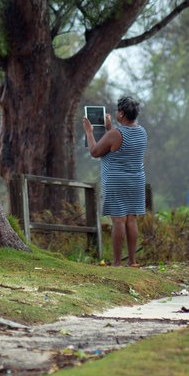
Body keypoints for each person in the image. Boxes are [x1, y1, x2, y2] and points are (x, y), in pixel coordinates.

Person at [82, 96, 147, 267]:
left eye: (118, 110)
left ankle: (117, 263)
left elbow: (95, 152)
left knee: (118, 221)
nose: (117, 113)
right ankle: (132, 261)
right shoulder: (142, 132)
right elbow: (120, 148)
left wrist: (89, 132)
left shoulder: (115, 134)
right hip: (136, 180)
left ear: (122, 114)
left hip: (116, 180)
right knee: (131, 219)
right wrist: (110, 129)